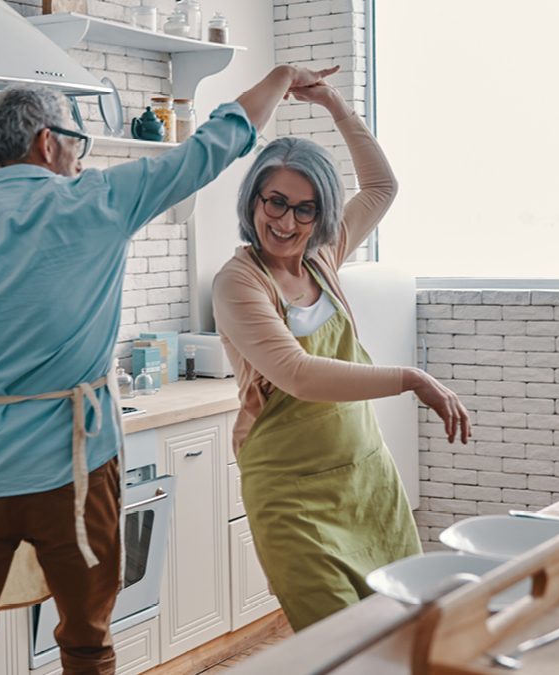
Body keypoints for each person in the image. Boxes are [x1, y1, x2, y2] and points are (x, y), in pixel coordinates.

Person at [0, 64, 338, 675]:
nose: (82, 157)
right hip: (79, 469)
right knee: (87, 644)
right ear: (48, 142)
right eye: (77, 141)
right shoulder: (100, 201)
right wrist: (279, 77)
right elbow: (217, 142)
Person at [212, 80, 472, 632]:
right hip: (292, 496)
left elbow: (381, 186)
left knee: (405, 631)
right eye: (275, 202)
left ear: (321, 215)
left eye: (305, 210)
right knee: (342, 645)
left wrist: (334, 106)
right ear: (254, 200)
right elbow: (297, 374)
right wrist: (410, 378)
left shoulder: (322, 257)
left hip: (367, 480)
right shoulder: (239, 283)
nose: (286, 223)